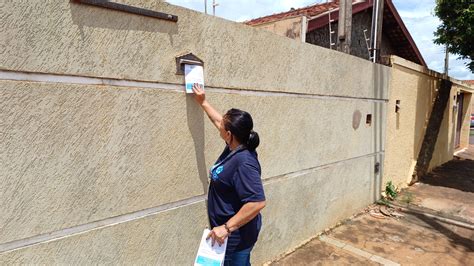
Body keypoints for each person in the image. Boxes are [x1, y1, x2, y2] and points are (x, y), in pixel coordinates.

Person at [192, 83, 266, 266]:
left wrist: (226, 228)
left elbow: (257, 202)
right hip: (228, 235)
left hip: (236, 238)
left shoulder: (244, 162)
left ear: (229, 134)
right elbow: (218, 121)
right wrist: (203, 102)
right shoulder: (234, 146)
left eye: (223, 127)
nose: (220, 126)